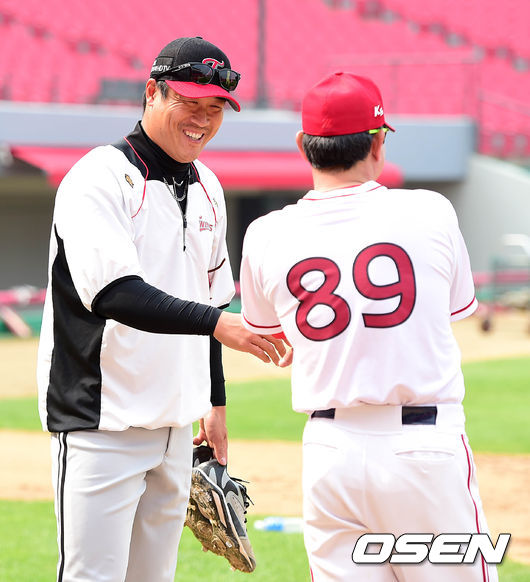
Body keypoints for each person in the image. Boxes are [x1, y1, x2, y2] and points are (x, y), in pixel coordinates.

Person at [37, 36, 285, 582]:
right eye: (189, 102)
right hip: (100, 422)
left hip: (176, 428)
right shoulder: (99, 177)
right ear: (152, 92)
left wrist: (215, 401)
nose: (203, 119)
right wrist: (217, 324)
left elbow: (212, 297)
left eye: (215, 107)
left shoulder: (209, 187)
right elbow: (114, 293)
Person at [239, 71, 497, 582]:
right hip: (422, 446)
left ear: (303, 145)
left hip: (328, 452)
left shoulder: (266, 233)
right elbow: (450, 310)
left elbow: (270, 328)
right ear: (378, 143)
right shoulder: (429, 210)